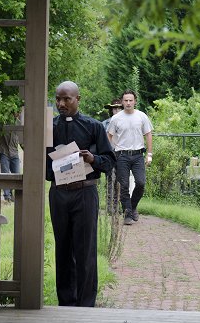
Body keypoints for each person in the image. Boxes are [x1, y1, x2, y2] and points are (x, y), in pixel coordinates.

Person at [45, 81, 115, 307]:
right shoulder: (50, 127)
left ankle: (86, 304)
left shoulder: (93, 126)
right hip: (58, 193)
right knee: (62, 248)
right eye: (58, 99)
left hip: (84, 193)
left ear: (78, 99)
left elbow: (110, 161)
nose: (61, 103)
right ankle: (65, 302)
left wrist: (93, 159)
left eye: (66, 99)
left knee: (85, 251)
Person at [106, 90, 153, 225]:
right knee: (124, 185)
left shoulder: (142, 116)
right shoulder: (116, 119)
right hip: (121, 156)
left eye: (130, 100)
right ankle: (127, 213)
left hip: (138, 155)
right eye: (125, 100)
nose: (128, 103)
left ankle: (132, 207)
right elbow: (108, 136)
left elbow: (148, 134)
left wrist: (149, 154)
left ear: (135, 101)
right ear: (122, 102)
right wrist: (110, 153)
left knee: (141, 183)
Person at [102, 98, 123, 214]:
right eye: (114, 108)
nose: (116, 110)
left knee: (119, 181)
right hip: (110, 154)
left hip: (122, 154)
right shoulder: (105, 123)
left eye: (119, 108)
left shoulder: (126, 122)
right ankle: (109, 206)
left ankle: (117, 206)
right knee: (110, 179)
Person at [0, 110, 22, 202]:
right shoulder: (3, 122)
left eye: (19, 112)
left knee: (17, 174)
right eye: (16, 112)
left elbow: (21, 139)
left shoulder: (19, 124)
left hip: (14, 152)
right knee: (5, 174)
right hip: (4, 152)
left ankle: (12, 194)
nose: (18, 114)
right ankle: (7, 196)